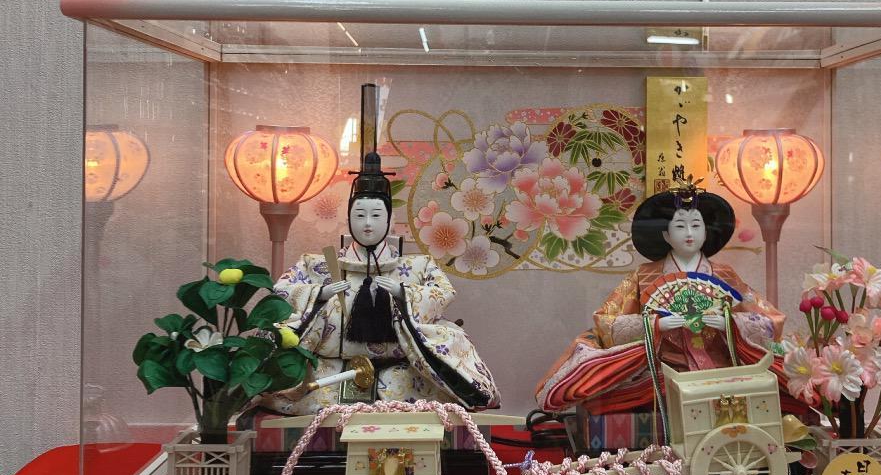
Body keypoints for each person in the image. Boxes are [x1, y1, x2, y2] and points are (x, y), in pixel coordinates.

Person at [258, 151, 500, 417]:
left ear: (389, 221)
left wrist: (404, 293)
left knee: (414, 397)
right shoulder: (317, 264)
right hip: (328, 372)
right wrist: (319, 294)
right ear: (349, 219)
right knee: (311, 399)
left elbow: (443, 292)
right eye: (360, 215)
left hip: (399, 373)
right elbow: (282, 290)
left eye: (376, 215)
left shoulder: (417, 267)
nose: (368, 224)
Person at [536, 184, 786, 415]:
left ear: (706, 233)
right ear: (666, 235)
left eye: (696, 225)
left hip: (721, 368)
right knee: (620, 399)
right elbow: (607, 322)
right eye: (680, 226)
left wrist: (730, 323)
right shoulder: (644, 275)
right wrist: (655, 325)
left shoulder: (724, 275)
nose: (689, 233)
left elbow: (769, 319)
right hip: (662, 369)